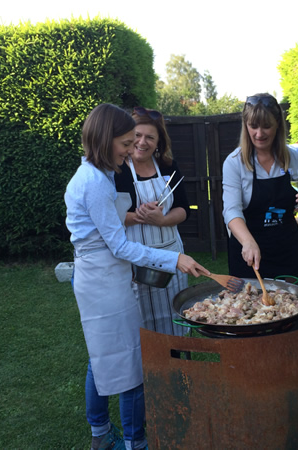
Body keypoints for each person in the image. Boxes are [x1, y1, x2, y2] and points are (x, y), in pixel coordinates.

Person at [64, 103, 210, 450]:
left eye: (136, 142)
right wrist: (174, 259)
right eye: (126, 143)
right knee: (129, 363)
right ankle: (135, 442)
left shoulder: (96, 174)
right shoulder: (95, 182)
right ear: (106, 138)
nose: (131, 150)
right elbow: (118, 245)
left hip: (107, 275)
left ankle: (102, 434)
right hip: (105, 279)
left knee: (105, 357)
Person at [222, 93, 298, 281]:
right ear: (245, 126)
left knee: (297, 299)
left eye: (266, 126)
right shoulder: (234, 163)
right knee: (249, 299)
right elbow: (231, 211)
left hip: (288, 251)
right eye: (253, 126)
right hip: (249, 254)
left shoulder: (294, 159)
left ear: (278, 125)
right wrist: (248, 242)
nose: (259, 134)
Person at [114, 106, 189, 336]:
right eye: (137, 135)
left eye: (150, 137)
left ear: (158, 142)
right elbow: (109, 218)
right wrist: (140, 216)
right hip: (135, 261)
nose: (142, 142)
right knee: (142, 325)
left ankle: (178, 356)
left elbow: (184, 209)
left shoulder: (168, 167)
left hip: (172, 256)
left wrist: (162, 220)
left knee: (174, 319)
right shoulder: (117, 170)